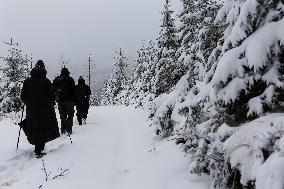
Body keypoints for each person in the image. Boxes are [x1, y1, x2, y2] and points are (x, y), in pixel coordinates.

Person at [21, 60, 60, 158]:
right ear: (43, 69)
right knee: (43, 127)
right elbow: (52, 96)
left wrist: (29, 103)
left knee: (35, 127)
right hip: (46, 110)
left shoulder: (27, 82)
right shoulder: (46, 82)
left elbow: (23, 97)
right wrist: (51, 102)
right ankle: (39, 149)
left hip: (31, 110)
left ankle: (38, 148)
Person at [53, 68, 76, 135]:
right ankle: (69, 130)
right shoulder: (70, 79)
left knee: (63, 116)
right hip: (69, 101)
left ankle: (63, 130)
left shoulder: (56, 80)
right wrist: (74, 100)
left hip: (60, 101)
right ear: (68, 72)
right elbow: (73, 91)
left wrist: (56, 99)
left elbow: (52, 90)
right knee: (70, 115)